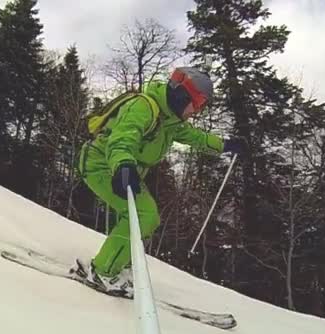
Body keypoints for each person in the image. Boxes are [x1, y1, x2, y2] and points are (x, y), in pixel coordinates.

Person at [73, 67, 246, 295]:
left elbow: (196, 137)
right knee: (144, 215)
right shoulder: (142, 108)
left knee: (142, 216)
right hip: (102, 165)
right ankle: (103, 271)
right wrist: (123, 164)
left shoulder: (170, 120)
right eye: (198, 103)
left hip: (122, 168)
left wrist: (224, 145)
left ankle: (117, 265)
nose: (197, 111)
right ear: (183, 96)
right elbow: (122, 140)